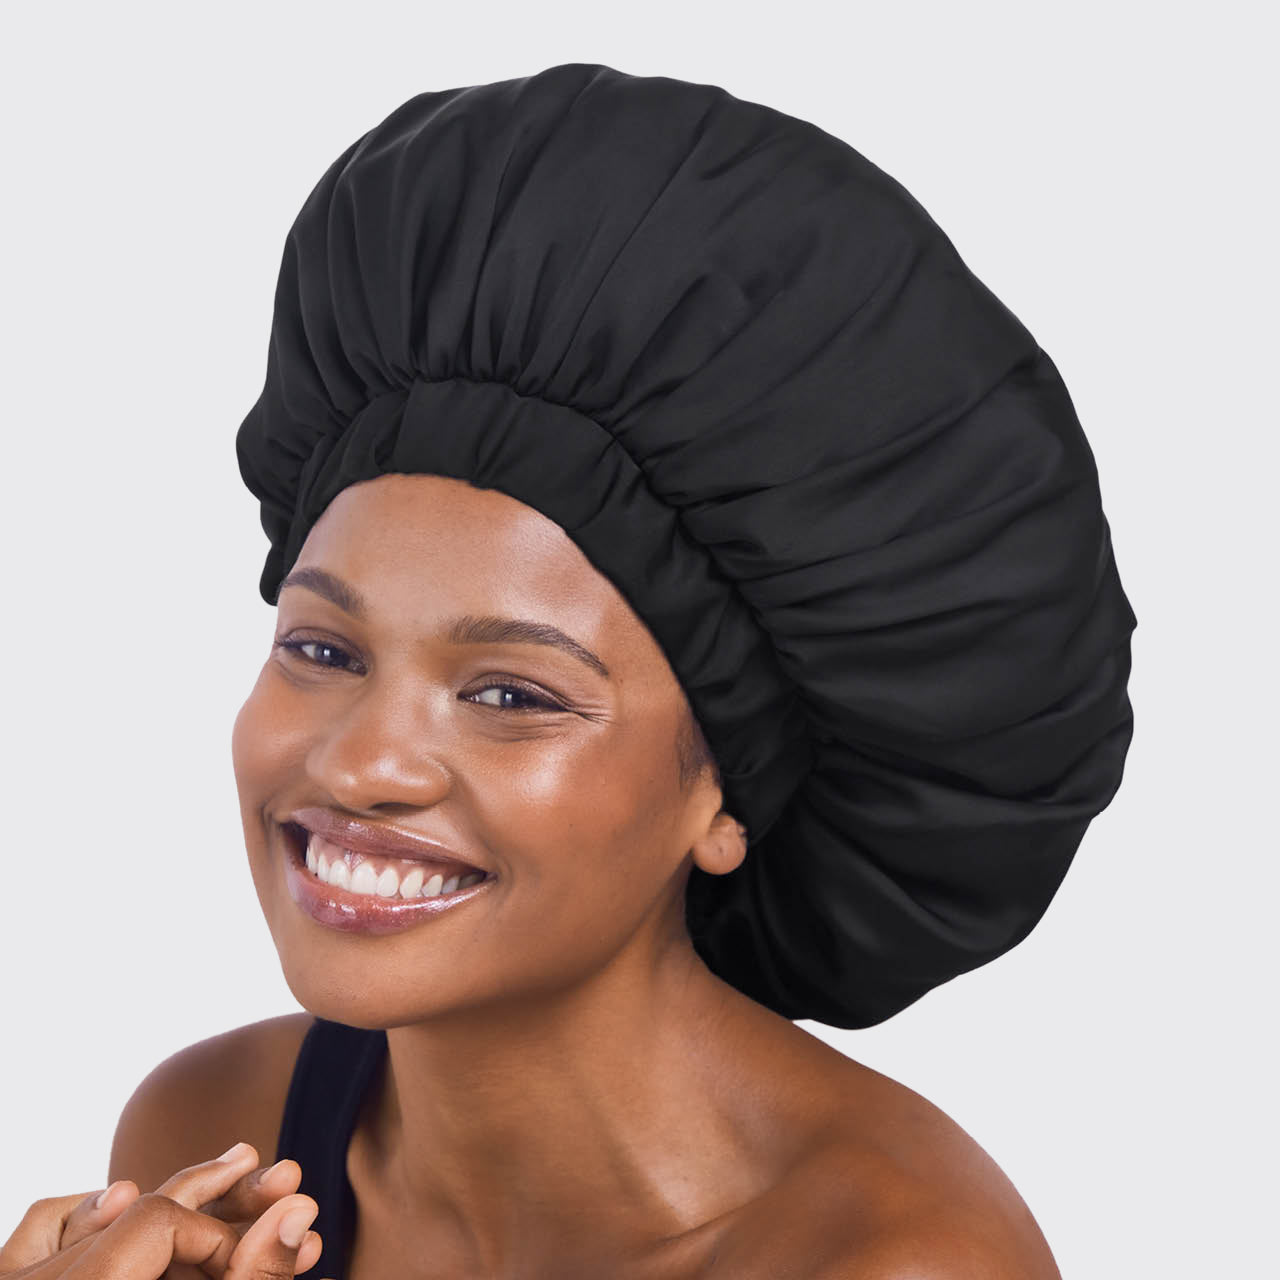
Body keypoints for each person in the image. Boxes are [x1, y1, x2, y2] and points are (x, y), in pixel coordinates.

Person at [4, 63, 1136, 1279]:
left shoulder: (884, 1261)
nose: (362, 760)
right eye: (323, 649)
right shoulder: (216, 1132)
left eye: (510, 693)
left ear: (723, 801)